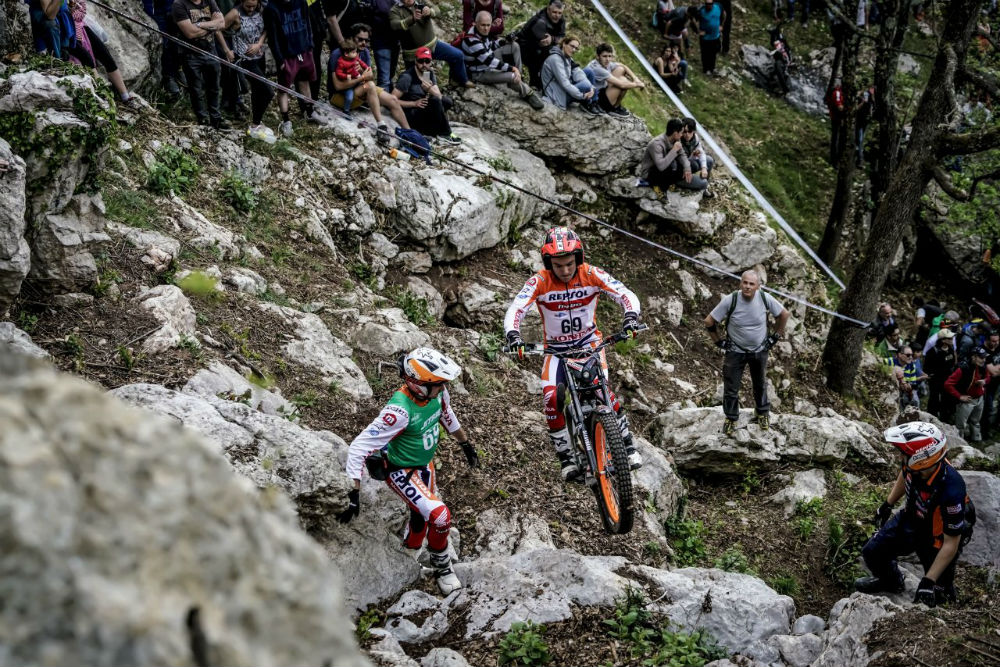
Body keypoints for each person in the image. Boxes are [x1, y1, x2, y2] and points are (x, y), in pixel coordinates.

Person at [503, 227, 644, 481]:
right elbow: (516, 308)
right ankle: (567, 457)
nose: (565, 270)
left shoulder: (590, 274)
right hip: (556, 351)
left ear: (577, 259)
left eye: (569, 264)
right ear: (549, 263)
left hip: (589, 345)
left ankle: (627, 443)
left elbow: (625, 293)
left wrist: (631, 317)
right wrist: (513, 335)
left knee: (603, 392)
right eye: (558, 266)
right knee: (551, 398)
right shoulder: (540, 281)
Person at [337, 347, 477, 595]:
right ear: (417, 384)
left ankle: (410, 553)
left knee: (421, 516)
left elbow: (447, 415)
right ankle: (442, 565)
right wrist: (354, 493)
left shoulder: (436, 395)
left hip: (425, 465)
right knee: (441, 516)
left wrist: (464, 442)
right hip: (401, 471)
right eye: (438, 384)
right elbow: (360, 446)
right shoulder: (399, 411)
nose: (443, 388)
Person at [854, 422, 975, 606]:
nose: (900, 457)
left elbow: (951, 543)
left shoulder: (951, 489)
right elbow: (906, 475)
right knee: (873, 552)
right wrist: (888, 504)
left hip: (938, 537)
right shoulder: (915, 466)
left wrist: (928, 581)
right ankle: (891, 581)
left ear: (921, 458)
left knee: (937, 596)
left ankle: (947, 605)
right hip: (912, 518)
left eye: (903, 453)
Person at [704, 269, 790, 435]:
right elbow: (709, 320)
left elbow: (784, 314)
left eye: (751, 284)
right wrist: (718, 341)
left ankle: (762, 413)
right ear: (740, 283)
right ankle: (731, 418)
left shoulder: (764, 298)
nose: (748, 287)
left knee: (760, 383)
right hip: (735, 350)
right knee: (731, 386)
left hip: (759, 349)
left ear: (758, 286)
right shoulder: (732, 299)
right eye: (745, 282)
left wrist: (776, 336)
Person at [328, 23, 412, 136]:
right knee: (371, 86)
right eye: (360, 39)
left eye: (366, 40)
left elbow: (370, 76)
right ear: (351, 38)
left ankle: (410, 133)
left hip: (359, 89)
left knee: (393, 100)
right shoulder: (338, 54)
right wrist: (362, 77)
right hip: (339, 96)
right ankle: (381, 125)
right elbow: (338, 86)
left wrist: (362, 74)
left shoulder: (364, 52)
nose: (364, 43)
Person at [460, 10, 544, 110]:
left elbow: (490, 46)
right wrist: (512, 68)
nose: (486, 28)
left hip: (485, 64)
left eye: (488, 25)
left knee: (514, 46)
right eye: (483, 25)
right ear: (475, 23)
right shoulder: (472, 40)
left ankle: (518, 78)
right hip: (479, 73)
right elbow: (489, 61)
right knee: (512, 75)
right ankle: (527, 92)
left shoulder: (479, 32)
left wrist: (505, 41)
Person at [223, 0, 275, 142]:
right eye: (248, 6)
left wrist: (259, 43)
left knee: (258, 91)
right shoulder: (235, 13)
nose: (251, 9)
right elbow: (218, 29)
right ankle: (255, 124)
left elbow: (267, 28)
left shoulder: (262, 9)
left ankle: (256, 123)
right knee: (268, 91)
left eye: (253, 6)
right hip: (244, 59)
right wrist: (227, 50)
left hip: (259, 55)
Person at [263, 0, 316, 137]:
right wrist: (280, 60)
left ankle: (309, 112)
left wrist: (310, 44)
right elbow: (272, 37)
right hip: (287, 55)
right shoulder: (272, 8)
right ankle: (286, 121)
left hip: (304, 49)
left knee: (305, 81)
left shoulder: (301, 2)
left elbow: (307, 22)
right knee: (284, 88)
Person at [173, 0, 229, 129]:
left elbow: (222, 23)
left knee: (214, 87)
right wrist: (212, 27)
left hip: (211, 50)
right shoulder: (179, 4)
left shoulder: (210, 1)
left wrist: (199, 25)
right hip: (190, 53)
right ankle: (202, 118)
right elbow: (190, 33)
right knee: (196, 89)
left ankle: (216, 118)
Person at [389, 0, 471, 87]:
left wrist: (430, 11)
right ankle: (423, 94)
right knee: (419, 83)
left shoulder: (421, 3)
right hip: (413, 54)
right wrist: (411, 19)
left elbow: (437, 11)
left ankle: (460, 80)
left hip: (433, 45)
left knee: (457, 55)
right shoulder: (395, 10)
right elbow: (395, 26)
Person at [392, 46, 462, 144]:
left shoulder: (428, 73)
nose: (424, 64)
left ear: (431, 61)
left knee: (447, 101)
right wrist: (413, 103)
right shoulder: (407, 77)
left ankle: (434, 130)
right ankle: (445, 133)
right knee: (435, 101)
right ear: (415, 61)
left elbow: (439, 95)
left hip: (423, 110)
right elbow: (392, 100)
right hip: (410, 114)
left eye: (427, 61)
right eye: (421, 61)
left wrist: (429, 89)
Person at [636, 118, 708, 192]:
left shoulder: (676, 140)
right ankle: (658, 187)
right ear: (675, 133)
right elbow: (661, 166)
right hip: (651, 173)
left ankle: (672, 182)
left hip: (667, 169)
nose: (682, 135)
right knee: (671, 167)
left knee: (691, 165)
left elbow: (682, 155)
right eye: (681, 132)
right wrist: (674, 150)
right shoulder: (656, 144)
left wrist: (687, 168)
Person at [540, 35, 602, 115]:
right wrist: (582, 96)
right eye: (572, 46)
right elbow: (565, 83)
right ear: (564, 44)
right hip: (557, 96)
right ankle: (588, 101)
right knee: (586, 85)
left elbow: (578, 73)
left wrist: (592, 88)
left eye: (576, 48)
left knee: (589, 72)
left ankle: (593, 102)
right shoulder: (555, 59)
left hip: (563, 89)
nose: (573, 50)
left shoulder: (568, 58)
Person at [516, 0, 566, 90]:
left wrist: (553, 39)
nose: (557, 15)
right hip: (524, 47)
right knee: (548, 52)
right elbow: (544, 42)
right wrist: (554, 41)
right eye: (554, 12)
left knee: (556, 52)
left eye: (560, 13)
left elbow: (562, 37)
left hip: (540, 46)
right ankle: (535, 82)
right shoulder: (540, 21)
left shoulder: (561, 20)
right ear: (548, 9)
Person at [584, 43, 645, 116]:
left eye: (610, 56)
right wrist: (637, 84)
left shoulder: (604, 62)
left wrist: (635, 78)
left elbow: (623, 65)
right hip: (595, 98)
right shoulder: (597, 68)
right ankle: (613, 108)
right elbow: (622, 85)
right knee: (624, 82)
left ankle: (615, 105)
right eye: (605, 56)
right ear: (597, 56)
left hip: (601, 89)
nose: (608, 59)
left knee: (620, 69)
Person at [945, 346, 990, 443]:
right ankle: (959, 443)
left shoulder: (983, 367)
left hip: (979, 398)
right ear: (974, 357)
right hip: (967, 400)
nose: (984, 360)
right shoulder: (963, 368)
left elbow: (988, 377)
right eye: (981, 358)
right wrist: (959, 396)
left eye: (985, 357)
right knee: (961, 425)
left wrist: (984, 381)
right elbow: (948, 384)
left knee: (976, 421)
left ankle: (976, 439)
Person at [924, 328, 957, 420]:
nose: (952, 340)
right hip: (936, 381)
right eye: (949, 338)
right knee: (934, 399)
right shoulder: (932, 352)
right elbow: (926, 368)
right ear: (943, 340)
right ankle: (932, 418)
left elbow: (953, 361)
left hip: (948, 380)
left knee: (947, 400)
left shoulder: (950, 348)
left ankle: (945, 418)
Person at [333, 39, 371, 116]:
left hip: (357, 78)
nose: (356, 54)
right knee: (349, 97)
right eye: (354, 52)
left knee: (368, 86)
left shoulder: (355, 57)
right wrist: (346, 76)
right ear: (346, 54)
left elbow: (361, 63)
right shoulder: (341, 62)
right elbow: (338, 73)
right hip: (348, 84)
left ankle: (365, 103)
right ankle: (346, 110)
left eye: (356, 51)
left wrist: (367, 68)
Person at [680, 117, 714, 197]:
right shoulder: (678, 140)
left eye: (690, 131)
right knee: (703, 182)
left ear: (694, 131)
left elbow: (701, 152)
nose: (687, 134)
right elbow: (682, 161)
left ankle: (704, 189)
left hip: (689, 165)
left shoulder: (695, 138)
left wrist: (704, 168)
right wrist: (693, 156)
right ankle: (702, 186)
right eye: (684, 132)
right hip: (680, 173)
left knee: (709, 160)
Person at [695, 0, 725, 76]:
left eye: (710, 3)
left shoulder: (718, 7)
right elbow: (694, 20)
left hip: (715, 36)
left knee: (713, 53)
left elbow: (724, 14)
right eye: (707, 4)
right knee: (705, 54)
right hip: (705, 37)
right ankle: (706, 69)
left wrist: (721, 25)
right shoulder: (701, 10)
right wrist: (698, 31)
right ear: (705, 4)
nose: (709, 5)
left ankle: (712, 68)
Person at [825, 77, 846, 164]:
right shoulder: (837, 92)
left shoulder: (841, 93)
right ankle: (834, 159)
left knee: (839, 138)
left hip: (839, 117)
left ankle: (837, 158)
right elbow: (839, 106)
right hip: (836, 117)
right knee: (836, 138)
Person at [854, 83, 875, 167]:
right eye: (872, 88)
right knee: (859, 139)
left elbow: (871, 107)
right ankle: (859, 159)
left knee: (860, 139)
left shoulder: (871, 97)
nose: (872, 90)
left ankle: (859, 156)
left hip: (864, 120)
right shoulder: (865, 94)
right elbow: (863, 104)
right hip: (860, 119)